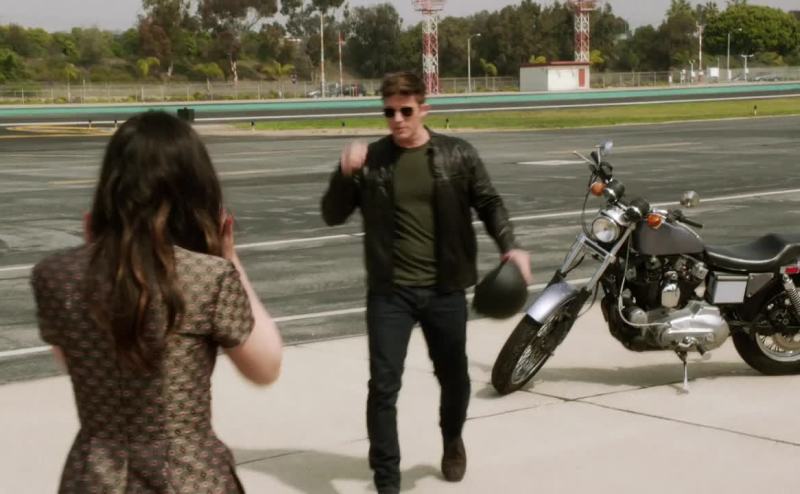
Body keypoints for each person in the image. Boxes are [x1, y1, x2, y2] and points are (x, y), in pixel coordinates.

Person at [30, 111, 283, 494]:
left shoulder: (54, 275)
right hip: (188, 476)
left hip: (95, 474)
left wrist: (95, 257)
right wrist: (230, 259)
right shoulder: (208, 277)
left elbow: (72, 361)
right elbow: (265, 366)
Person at [321, 71, 532, 493]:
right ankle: (387, 480)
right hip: (390, 292)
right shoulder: (372, 160)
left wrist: (510, 246)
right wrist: (344, 174)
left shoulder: (457, 154)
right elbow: (332, 214)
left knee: (454, 379)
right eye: (389, 112)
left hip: (444, 289)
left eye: (405, 111)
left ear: (423, 109)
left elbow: (489, 201)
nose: (397, 120)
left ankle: (452, 439)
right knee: (383, 387)